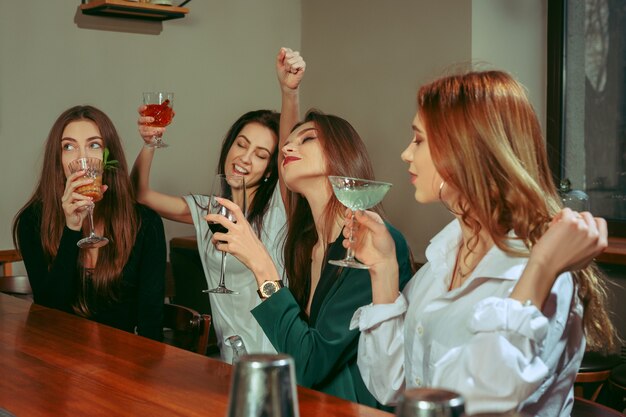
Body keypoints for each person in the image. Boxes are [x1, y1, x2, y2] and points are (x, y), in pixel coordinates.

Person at [346, 70, 618, 416]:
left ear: (466, 150)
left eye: (418, 140)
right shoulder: (444, 257)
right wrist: (383, 270)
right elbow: (393, 387)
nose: (405, 154)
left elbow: (477, 404)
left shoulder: (547, 276)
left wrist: (541, 268)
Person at [207, 109, 414, 408]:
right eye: (287, 143)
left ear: (341, 153)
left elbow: (309, 364)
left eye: (307, 139)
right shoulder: (307, 245)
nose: (288, 148)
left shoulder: (374, 244)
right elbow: (297, 351)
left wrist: (260, 264)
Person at [131, 47, 306, 362]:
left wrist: (288, 92)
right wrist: (150, 143)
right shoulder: (206, 209)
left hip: (276, 359)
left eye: (261, 155)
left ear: (271, 169)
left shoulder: (280, 206)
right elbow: (139, 194)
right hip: (230, 362)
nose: (245, 158)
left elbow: (287, 149)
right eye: (241, 144)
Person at [13, 105, 166, 341]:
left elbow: (151, 324)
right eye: (69, 146)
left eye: (94, 145)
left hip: (121, 365)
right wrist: (71, 228)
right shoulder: (32, 221)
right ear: (59, 160)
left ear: (108, 158)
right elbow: (48, 313)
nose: (82, 158)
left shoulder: (146, 224)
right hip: (58, 360)